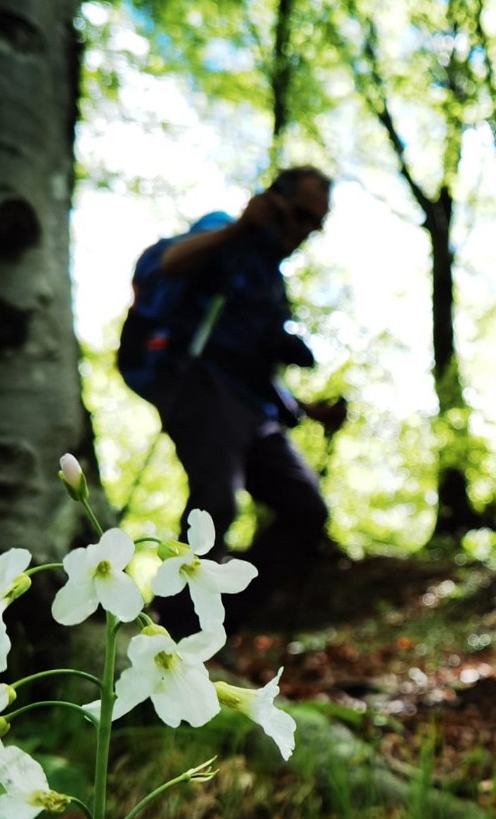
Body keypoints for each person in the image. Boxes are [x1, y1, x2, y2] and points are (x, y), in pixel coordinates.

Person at [149, 165, 348, 633]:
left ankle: (216, 629)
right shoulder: (227, 230)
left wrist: (309, 410)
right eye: (300, 215)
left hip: (254, 409)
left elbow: (259, 367)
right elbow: (171, 263)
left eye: (315, 225)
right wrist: (241, 226)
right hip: (201, 385)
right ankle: (173, 631)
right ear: (275, 201)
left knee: (307, 511)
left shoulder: (274, 283)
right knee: (215, 503)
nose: (304, 232)